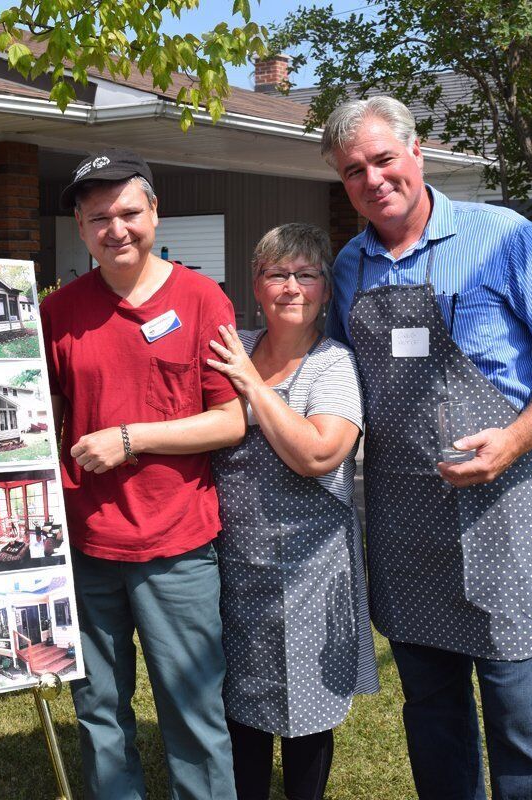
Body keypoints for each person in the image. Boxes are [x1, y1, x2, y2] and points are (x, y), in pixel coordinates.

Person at [321, 96, 532, 799]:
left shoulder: (503, 237)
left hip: (499, 506)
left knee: (518, 704)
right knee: (431, 710)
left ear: (416, 151)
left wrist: (516, 438)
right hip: (400, 518)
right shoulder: (348, 269)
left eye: (384, 159)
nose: (373, 179)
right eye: (354, 171)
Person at [41, 149, 246, 799]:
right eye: (98, 217)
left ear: (155, 212)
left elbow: (230, 421)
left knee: (193, 714)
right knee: (99, 713)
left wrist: (130, 440)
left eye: (128, 212)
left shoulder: (203, 299)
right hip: (88, 546)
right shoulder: (60, 312)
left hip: (177, 546)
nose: (115, 229)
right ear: (80, 227)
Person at [207, 223, 379, 800]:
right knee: (238, 702)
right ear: (255, 285)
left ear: (326, 290)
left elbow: (318, 452)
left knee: (307, 705)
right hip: (233, 561)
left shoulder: (334, 365)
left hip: (310, 568)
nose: (292, 287)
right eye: (277, 274)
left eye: (307, 274)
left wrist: (253, 387)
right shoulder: (236, 345)